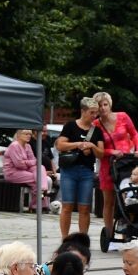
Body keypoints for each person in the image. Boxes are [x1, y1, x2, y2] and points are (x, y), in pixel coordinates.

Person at [93, 92, 138, 246]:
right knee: (109, 201)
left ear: (110, 104)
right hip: (108, 164)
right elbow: (96, 148)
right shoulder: (96, 125)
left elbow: (134, 134)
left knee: (127, 196)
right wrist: (111, 152)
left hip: (127, 162)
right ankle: (109, 233)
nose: (103, 108)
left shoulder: (122, 117)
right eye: (99, 105)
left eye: (105, 104)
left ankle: (128, 227)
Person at [56, 97, 105, 237]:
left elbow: (101, 154)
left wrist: (93, 146)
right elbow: (60, 145)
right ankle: (65, 238)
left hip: (87, 172)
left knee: (85, 208)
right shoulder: (70, 126)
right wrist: (78, 144)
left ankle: (83, 239)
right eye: (91, 112)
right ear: (83, 111)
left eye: (96, 113)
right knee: (67, 206)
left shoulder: (97, 131)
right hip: (69, 170)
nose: (94, 116)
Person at [2, 129, 51, 210]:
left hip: (25, 170)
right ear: (19, 135)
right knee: (36, 179)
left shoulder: (28, 146)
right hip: (12, 173)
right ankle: (39, 203)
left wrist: (26, 163)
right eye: (26, 134)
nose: (29, 136)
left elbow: (35, 161)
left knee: (41, 167)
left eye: (30, 134)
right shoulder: (14, 146)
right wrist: (29, 163)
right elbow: (19, 164)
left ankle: (42, 190)